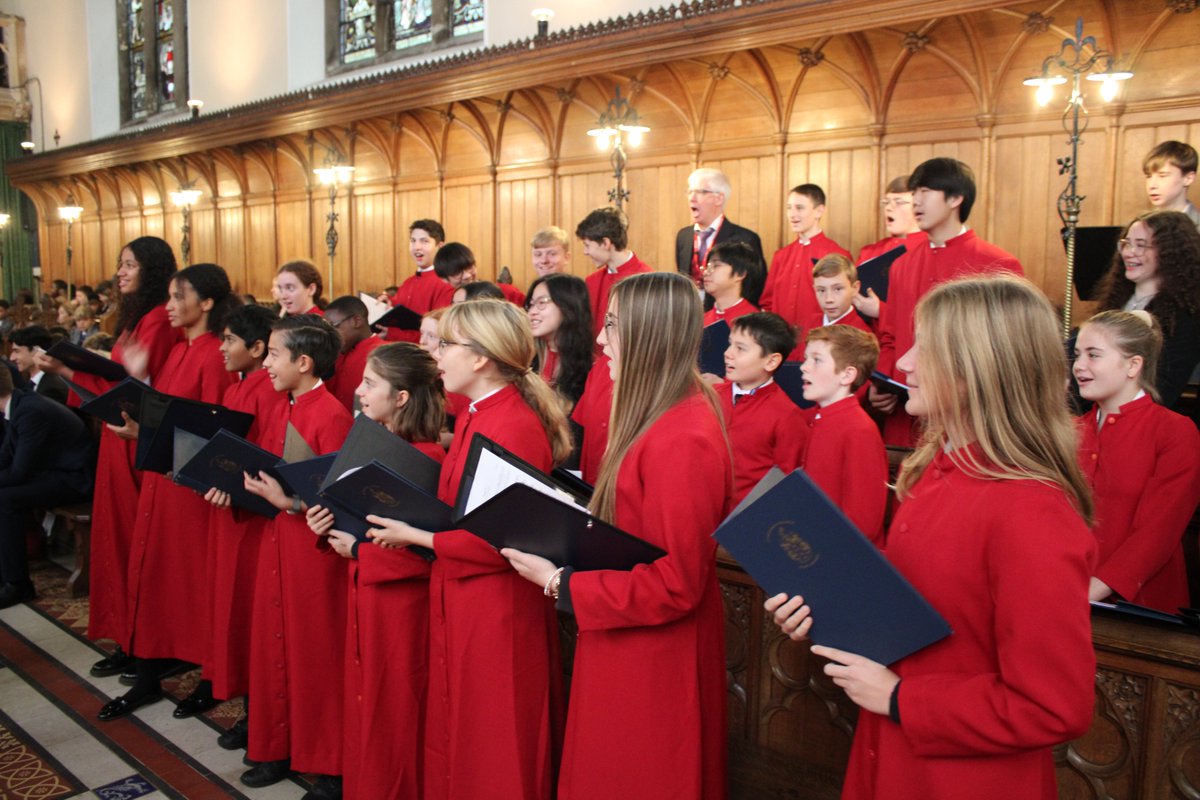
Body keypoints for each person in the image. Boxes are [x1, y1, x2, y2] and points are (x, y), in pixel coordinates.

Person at [768, 275, 1096, 800]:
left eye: (927, 347)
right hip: (894, 754)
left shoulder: (1032, 509)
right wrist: (824, 612)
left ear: (978, 370)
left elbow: (1053, 704)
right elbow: (919, 621)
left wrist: (902, 700)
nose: (905, 363)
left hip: (964, 778)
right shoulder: (935, 473)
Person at [504, 272, 733, 800]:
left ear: (648, 333)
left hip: (654, 653)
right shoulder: (662, 416)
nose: (602, 340)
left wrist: (561, 581)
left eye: (612, 325)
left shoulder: (684, 437)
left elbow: (677, 583)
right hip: (626, 632)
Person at [362, 299, 571, 800]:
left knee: (497, 734)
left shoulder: (512, 423)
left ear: (479, 358)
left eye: (446, 345)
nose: (436, 356)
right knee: (465, 724)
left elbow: (505, 536)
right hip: (465, 594)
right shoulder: (481, 413)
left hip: (498, 606)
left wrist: (417, 536)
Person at [97, 264, 240, 723]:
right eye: (170, 296)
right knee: (156, 577)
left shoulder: (213, 355)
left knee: (190, 583)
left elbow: (212, 432)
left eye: (180, 297)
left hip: (190, 488)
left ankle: (211, 677)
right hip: (163, 476)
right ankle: (149, 669)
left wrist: (150, 432)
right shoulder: (180, 350)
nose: (170, 305)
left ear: (208, 303)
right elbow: (166, 413)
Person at [34, 237, 181, 681]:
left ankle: (148, 643)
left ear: (151, 270)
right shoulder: (134, 319)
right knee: (116, 541)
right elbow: (120, 375)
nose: (120, 273)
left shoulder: (157, 320)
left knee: (138, 544)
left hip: (137, 440)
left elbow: (136, 388)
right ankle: (128, 637)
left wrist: (69, 371)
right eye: (120, 264)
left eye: (129, 265)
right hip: (117, 441)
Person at [306, 342, 447, 800]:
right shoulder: (372, 443)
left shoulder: (427, 456)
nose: (359, 392)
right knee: (367, 698)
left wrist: (361, 552)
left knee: (395, 707)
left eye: (370, 384)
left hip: (403, 605)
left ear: (401, 397)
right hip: (367, 589)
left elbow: (428, 552)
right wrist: (323, 523)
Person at [239, 316, 353, 796]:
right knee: (274, 644)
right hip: (277, 540)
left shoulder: (331, 414)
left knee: (315, 654)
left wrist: (292, 503)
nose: (264, 364)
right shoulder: (283, 403)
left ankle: (329, 761)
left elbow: (341, 501)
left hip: (314, 551)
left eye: (273, 355)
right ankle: (278, 744)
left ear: (303, 363)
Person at [871, 158, 1023, 446]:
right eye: (914, 192)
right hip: (908, 413)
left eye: (925, 191)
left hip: (968, 419)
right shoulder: (901, 265)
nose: (916, 200)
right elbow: (890, 336)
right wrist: (884, 385)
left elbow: (1004, 352)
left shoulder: (996, 263)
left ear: (955, 198)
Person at [1073, 310, 1200, 612]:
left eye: (1093, 355)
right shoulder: (1070, 431)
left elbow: (1159, 531)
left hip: (1141, 609)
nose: (1079, 366)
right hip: (1069, 594)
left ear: (1133, 365)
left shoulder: (1174, 431)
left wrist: (1092, 590)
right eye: (1077, 354)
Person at [202, 303, 284, 751]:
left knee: (256, 621)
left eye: (230, 340)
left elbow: (265, 456)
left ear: (256, 348)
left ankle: (261, 718)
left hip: (256, 521)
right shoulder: (241, 386)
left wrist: (230, 483)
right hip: (233, 514)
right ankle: (253, 713)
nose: (222, 348)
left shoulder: (265, 390)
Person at [0, 366, 93, 608]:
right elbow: (7, 457)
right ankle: (7, 574)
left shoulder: (30, 411)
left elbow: (20, 471)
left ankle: (18, 585)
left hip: (74, 479)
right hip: (52, 472)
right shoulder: (18, 405)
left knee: (6, 498)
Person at [1092, 210, 1200, 411]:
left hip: (1140, 418)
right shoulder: (1114, 302)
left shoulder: (1185, 317)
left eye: (1141, 245)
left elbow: (1163, 389)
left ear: (1170, 253)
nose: (1129, 252)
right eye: (1126, 243)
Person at [800, 325, 888, 546]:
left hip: (840, 554)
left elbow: (863, 521)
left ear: (847, 374)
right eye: (805, 359)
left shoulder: (859, 429)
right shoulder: (818, 418)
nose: (804, 367)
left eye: (817, 360)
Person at [716, 311, 807, 503]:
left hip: (742, 520)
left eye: (740, 348)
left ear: (771, 361)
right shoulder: (710, 395)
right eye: (730, 344)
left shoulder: (787, 416)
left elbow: (786, 484)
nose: (727, 353)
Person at [674, 167, 766, 285]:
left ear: (719, 198)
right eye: (690, 192)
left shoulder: (745, 239)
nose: (692, 198)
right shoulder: (683, 236)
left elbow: (754, 287)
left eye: (700, 192)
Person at [853, 175, 925, 323]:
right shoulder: (870, 252)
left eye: (898, 202)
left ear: (918, 206)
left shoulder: (927, 250)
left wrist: (882, 311)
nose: (889, 207)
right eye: (886, 202)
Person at [576, 207, 653, 336]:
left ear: (605, 243)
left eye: (587, 245)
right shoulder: (591, 281)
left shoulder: (646, 281)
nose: (585, 252)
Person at [526, 272, 594, 408]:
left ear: (568, 306)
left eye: (542, 302)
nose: (532, 312)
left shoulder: (590, 368)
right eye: (531, 304)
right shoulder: (526, 358)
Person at [386, 219, 453, 343]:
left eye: (424, 241)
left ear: (440, 246)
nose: (417, 247)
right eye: (413, 241)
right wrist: (386, 302)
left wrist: (390, 334)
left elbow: (437, 334)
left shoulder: (445, 283)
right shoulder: (408, 283)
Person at [324, 295, 385, 413]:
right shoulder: (337, 351)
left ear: (356, 321)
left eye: (333, 327)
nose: (329, 334)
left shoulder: (382, 353)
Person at [702, 241, 763, 327]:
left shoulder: (754, 322)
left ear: (740, 274)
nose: (706, 272)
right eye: (707, 267)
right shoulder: (702, 320)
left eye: (716, 266)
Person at [808, 254, 872, 335]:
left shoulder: (862, 335)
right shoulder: (808, 324)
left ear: (855, 288)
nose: (829, 299)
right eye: (821, 290)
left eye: (837, 289)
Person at [8, 326, 69, 404]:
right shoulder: (31, 383)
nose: (11, 358)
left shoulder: (52, 388)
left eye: (17, 351)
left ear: (36, 350)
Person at [1144, 140, 1199, 227]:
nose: (1152, 185)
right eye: (1148, 176)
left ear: (1188, 178)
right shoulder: (1139, 226)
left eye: (1162, 176)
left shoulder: (1196, 226)